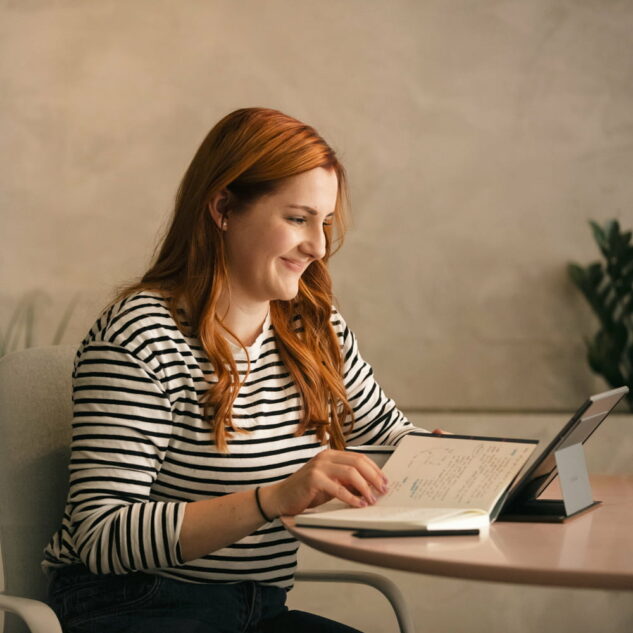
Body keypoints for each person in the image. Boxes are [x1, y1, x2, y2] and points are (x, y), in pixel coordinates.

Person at [43, 107, 423, 633]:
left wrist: (476, 464)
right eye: (298, 219)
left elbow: (390, 436)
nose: (318, 245)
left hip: (258, 609)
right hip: (133, 604)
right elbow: (101, 533)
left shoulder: (312, 328)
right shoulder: (142, 334)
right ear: (223, 207)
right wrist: (274, 499)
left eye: (325, 222)